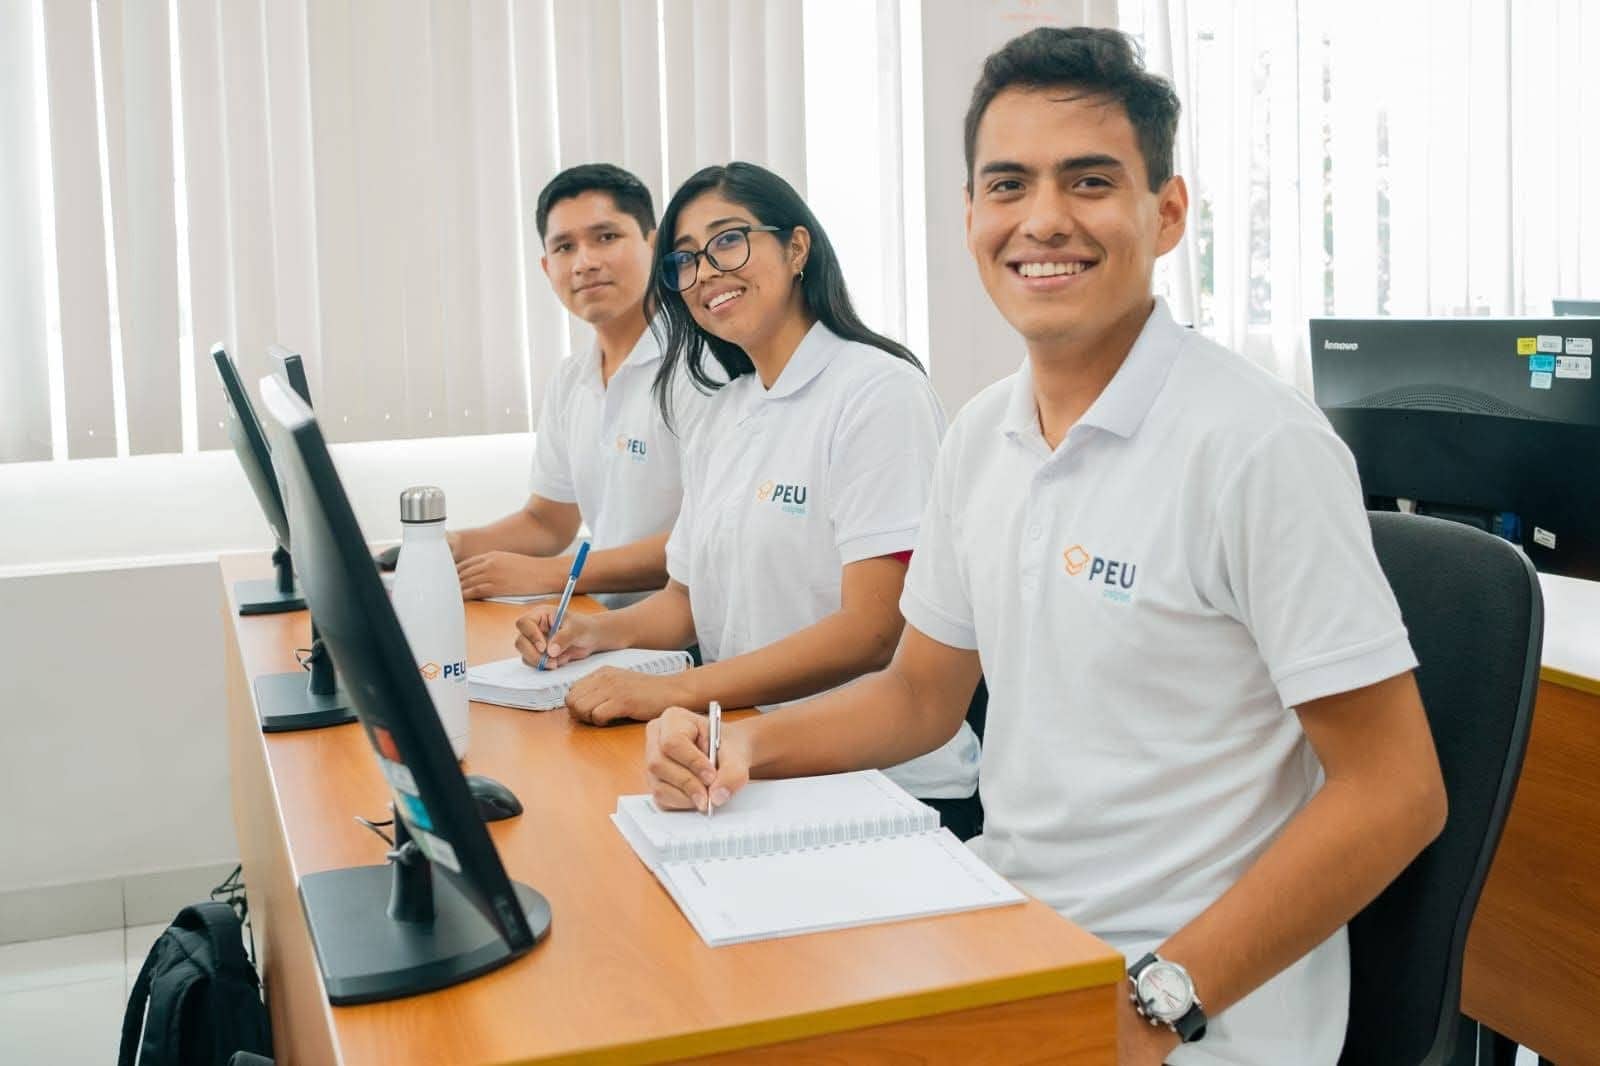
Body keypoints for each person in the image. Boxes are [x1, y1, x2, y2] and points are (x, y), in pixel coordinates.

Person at [638, 28, 1446, 1066]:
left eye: (1090, 180)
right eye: (1008, 184)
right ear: (972, 216)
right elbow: (922, 694)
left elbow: (1396, 791)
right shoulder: (980, 433)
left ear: (1165, 214)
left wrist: (1154, 1004)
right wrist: (741, 743)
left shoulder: (1258, 446)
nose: (1043, 220)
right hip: (1008, 925)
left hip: (1192, 1005)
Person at [517, 162, 982, 835]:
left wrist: (673, 690)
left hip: (885, 785)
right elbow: (684, 602)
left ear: (797, 248)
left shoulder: (878, 393)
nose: (705, 271)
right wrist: (594, 633)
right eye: (684, 259)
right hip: (745, 763)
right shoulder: (726, 409)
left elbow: (872, 630)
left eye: (728, 241)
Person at [449, 163, 710, 605]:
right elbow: (549, 522)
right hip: (600, 625)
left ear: (654, 243)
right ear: (547, 266)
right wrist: (449, 546)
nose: (585, 262)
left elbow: (708, 540)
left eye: (606, 237)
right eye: (565, 247)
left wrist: (549, 575)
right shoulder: (572, 380)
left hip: (686, 638)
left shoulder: (700, 367)